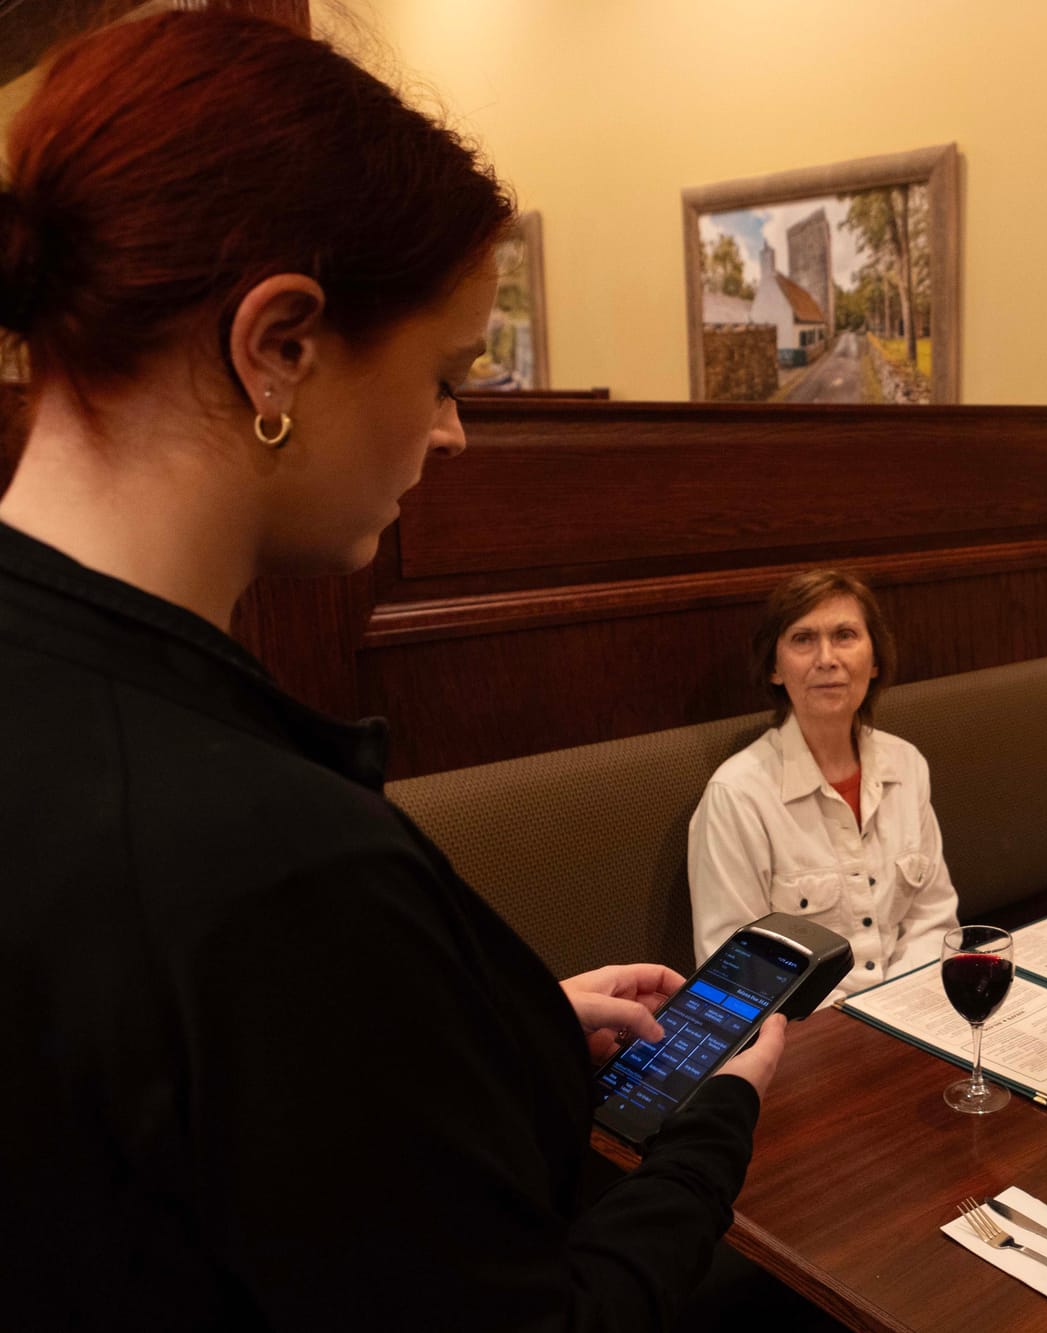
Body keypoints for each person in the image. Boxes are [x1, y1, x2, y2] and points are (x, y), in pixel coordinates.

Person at [0, 13, 782, 1328]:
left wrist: (494, 1028)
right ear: (279, 347)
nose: (453, 429)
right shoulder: (276, 867)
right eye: (442, 373)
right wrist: (721, 1122)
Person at [689, 568, 959, 1002]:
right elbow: (738, 972)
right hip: (806, 1038)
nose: (827, 658)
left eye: (845, 635)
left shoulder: (907, 766)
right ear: (775, 668)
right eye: (803, 639)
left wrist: (900, 1007)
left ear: (873, 661)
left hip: (916, 1008)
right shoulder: (737, 796)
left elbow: (933, 919)